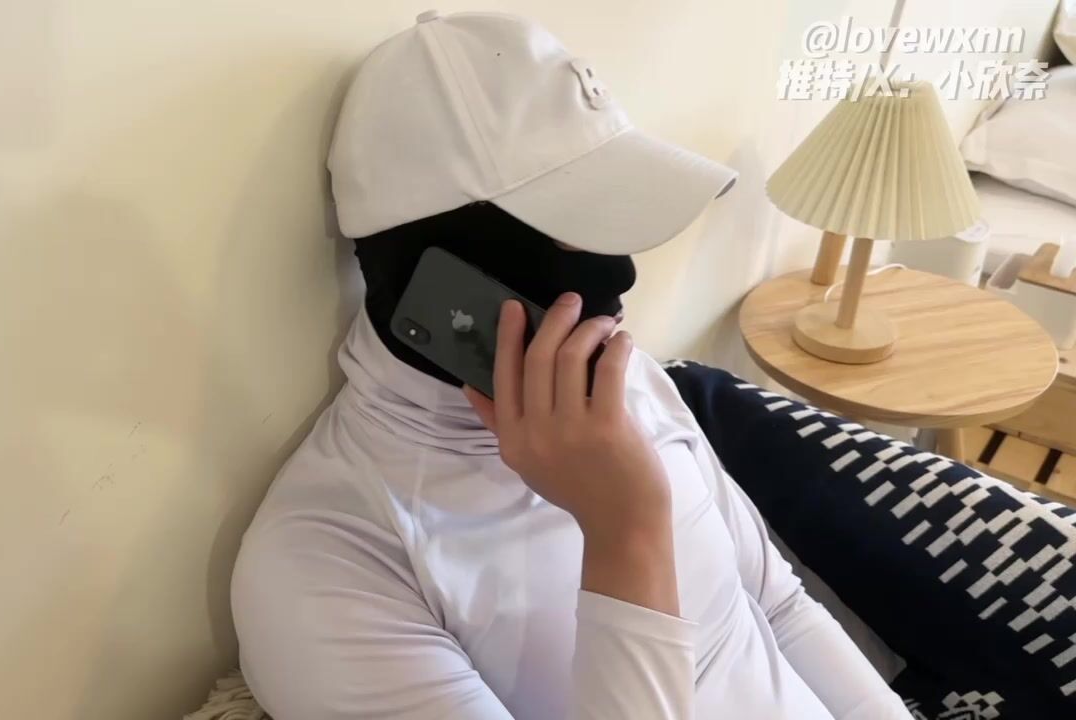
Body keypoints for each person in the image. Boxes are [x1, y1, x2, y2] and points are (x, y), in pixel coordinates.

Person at [231, 10, 913, 719]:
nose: (619, 280)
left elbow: (779, 607)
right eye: (573, 238)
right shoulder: (328, 562)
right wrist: (626, 531)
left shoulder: (624, 380)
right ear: (437, 277)